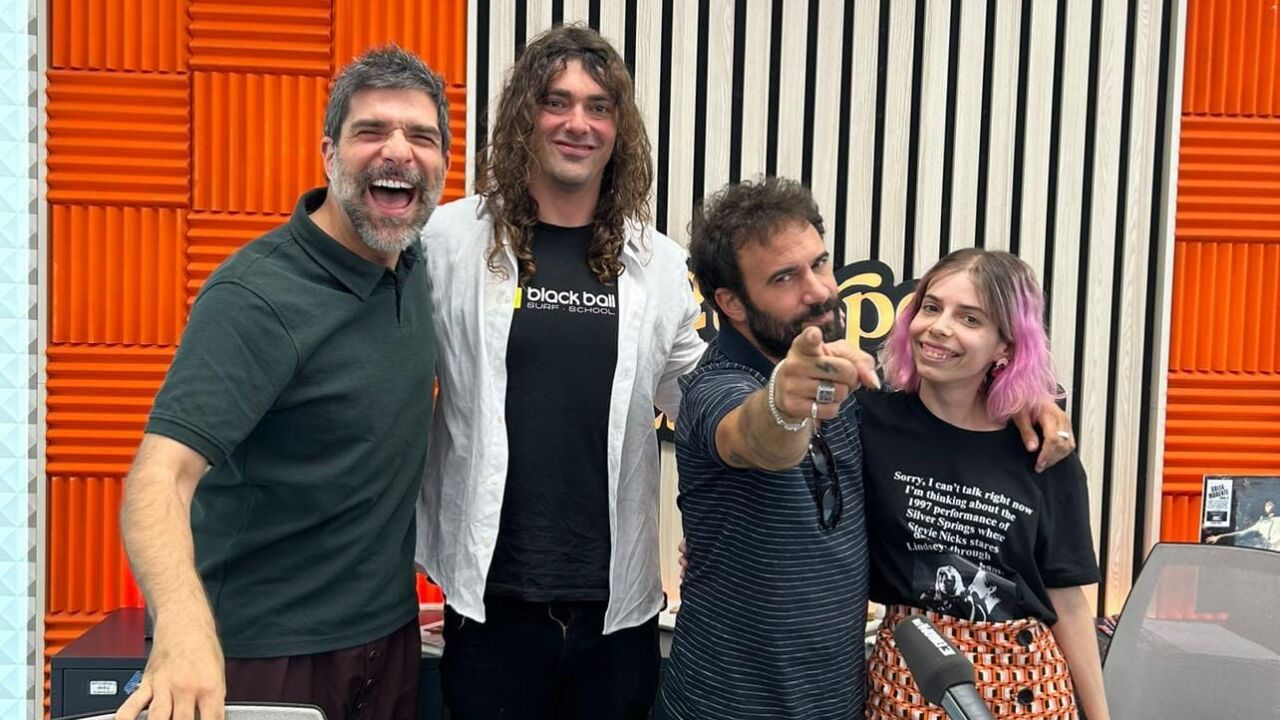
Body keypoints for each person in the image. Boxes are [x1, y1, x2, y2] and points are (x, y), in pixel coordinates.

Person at [117, 46, 450, 720]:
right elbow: (159, 478)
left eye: (421, 135)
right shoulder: (255, 297)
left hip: (388, 641)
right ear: (328, 153)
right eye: (371, 130)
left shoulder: (415, 265)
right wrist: (182, 629)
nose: (398, 150)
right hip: (261, 655)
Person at [664, 178, 1075, 720]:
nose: (817, 290)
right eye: (785, 277)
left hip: (844, 702)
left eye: (820, 263)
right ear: (731, 302)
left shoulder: (855, 391)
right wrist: (785, 405)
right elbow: (755, 437)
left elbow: (953, 407)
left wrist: (1028, 401)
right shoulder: (715, 390)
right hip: (726, 706)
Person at [415, 25, 704, 719]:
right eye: (557, 101)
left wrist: (790, 401)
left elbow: (703, 404)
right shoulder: (447, 242)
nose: (579, 123)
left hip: (618, 612)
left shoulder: (659, 264)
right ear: (525, 115)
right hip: (489, 607)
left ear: (619, 129)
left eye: (599, 107)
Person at [861, 248, 1109, 720]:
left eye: (970, 318)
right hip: (911, 680)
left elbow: (1067, 600)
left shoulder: (1042, 449)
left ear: (1006, 347)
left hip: (1030, 686)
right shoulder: (868, 423)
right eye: (931, 307)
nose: (939, 326)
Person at [1207, 499, 1280, 550]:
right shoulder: (1260, 524)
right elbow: (1241, 534)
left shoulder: (1278, 519)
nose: (1268, 504)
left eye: (1271, 503)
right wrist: (1220, 536)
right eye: (1267, 503)